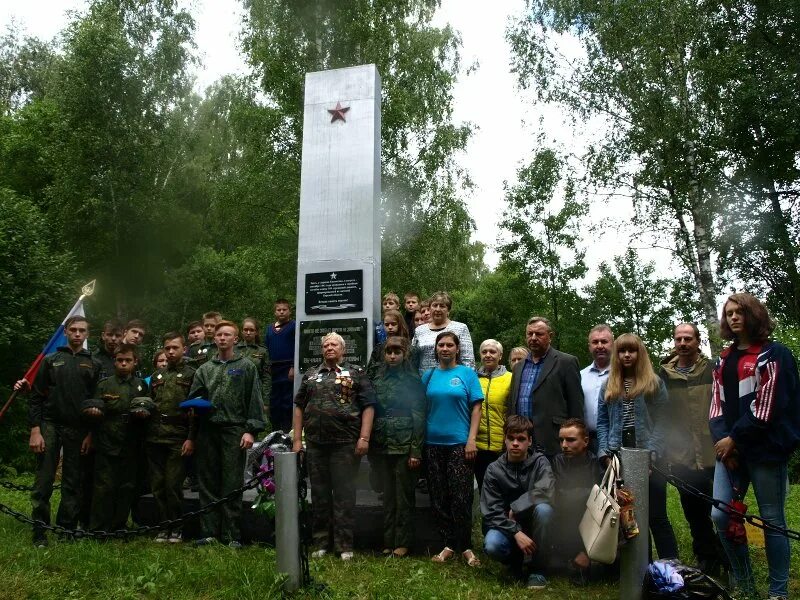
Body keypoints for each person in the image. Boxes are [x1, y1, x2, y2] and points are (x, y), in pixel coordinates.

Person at [709, 293, 800, 600]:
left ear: (754, 314)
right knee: (721, 514)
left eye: (740, 312)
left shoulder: (775, 355)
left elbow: (767, 407)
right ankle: (745, 585)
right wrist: (725, 446)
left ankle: (778, 593)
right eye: (729, 313)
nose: (733, 317)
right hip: (731, 452)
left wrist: (734, 439)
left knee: (772, 519)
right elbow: (716, 406)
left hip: (765, 450)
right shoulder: (723, 359)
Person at [292, 332, 375, 560]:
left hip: (345, 444)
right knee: (319, 495)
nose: (329, 348)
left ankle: (344, 545)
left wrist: (364, 438)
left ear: (343, 349)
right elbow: (299, 406)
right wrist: (298, 440)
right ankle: (320, 542)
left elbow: (369, 406)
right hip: (317, 445)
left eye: (334, 344)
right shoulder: (311, 374)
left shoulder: (356, 373)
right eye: (326, 345)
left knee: (344, 495)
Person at [597, 333, 678, 560]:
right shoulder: (609, 384)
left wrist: (651, 452)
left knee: (657, 516)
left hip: (650, 456)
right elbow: (602, 421)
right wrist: (604, 453)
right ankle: (641, 569)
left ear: (639, 353)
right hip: (618, 457)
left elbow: (664, 419)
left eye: (631, 350)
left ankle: (670, 567)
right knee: (628, 516)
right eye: (622, 351)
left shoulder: (653, 383)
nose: (626, 355)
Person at [189, 320, 266, 547]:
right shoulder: (205, 369)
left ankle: (231, 535)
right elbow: (195, 396)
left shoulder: (246, 366)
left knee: (231, 482)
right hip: (208, 429)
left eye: (227, 335)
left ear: (236, 339)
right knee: (208, 482)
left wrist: (250, 430)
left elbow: (254, 399)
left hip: (234, 429)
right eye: (219, 335)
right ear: (214, 339)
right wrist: (195, 406)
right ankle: (209, 532)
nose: (222, 338)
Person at [659, 323, 726, 575]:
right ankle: (707, 558)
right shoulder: (663, 375)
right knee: (694, 510)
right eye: (679, 339)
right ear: (674, 342)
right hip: (681, 455)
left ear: (698, 341)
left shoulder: (713, 370)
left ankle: (728, 554)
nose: (683, 343)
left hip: (714, 450)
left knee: (722, 508)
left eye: (688, 338)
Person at [28, 315, 99, 546]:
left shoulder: (93, 363)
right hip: (50, 424)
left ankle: (66, 528)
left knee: (73, 482)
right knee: (44, 480)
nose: (78, 334)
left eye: (82, 331)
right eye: (74, 330)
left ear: (87, 334)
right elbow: (36, 397)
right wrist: (35, 430)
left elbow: (95, 403)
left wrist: (90, 434)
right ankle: (40, 530)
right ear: (66, 332)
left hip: (78, 429)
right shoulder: (51, 360)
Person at [423, 331, 483, 567]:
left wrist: (471, 440)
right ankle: (447, 544)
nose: (445, 348)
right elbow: (421, 409)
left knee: (461, 496)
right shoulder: (428, 376)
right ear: (436, 349)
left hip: (460, 444)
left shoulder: (467, 374)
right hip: (432, 444)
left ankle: (465, 546)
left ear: (457, 349)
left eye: (450, 345)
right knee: (439, 497)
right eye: (441, 345)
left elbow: (476, 409)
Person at [481, 415, 555, 590]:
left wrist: (517, 506)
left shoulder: (540, 462)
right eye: (511, 438)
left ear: (529, 441)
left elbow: (547, 489)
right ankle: (514, 561)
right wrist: (516, 532)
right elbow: (491, 511)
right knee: (492, 545)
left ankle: (538, 569)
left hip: (534, 523)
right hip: (506, 526)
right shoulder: (493, 470)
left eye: (521, 439)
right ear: (505, 440)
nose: (515, 443)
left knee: (545, 510)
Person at [370, 337, 425, 557]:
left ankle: (403, 543)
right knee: (387, 495)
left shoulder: (412, 380)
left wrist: (415, 449)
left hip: (404, 443)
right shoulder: (376, 378)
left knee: (404, 496)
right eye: (389, 352)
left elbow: (419, 415)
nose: (392, 356)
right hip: (382, 442)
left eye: (397, 352)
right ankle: (388, 540)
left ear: (405, 354)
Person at [87, 343, 147, 532]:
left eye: (127, 360)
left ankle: (118, 525)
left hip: (131, 442)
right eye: (120, 360)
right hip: (107, 440)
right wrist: (91, 435)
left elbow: (149, 407)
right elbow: (93, 410)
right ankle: (98, 527)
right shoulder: (104, 384)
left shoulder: (140, 385)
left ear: (135, 362)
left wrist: (144, 413)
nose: (123, 364)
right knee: (103, 487)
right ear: (114, 362)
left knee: (126, 486)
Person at [509, 316, 584, 459]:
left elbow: (576, 405)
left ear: (550, 336)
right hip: (521, 440)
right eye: (529, 334)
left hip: (554, 440)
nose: (533, 338)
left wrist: (575, 439)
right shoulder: (518, 367)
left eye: (539, 334)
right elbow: (512, 404)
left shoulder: (566, 362)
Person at [146, 332, 196, 543]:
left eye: (175, 348)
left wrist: (191, 438)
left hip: (178, 437)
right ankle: (163, 526)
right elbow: (148, 404)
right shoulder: (157, 377)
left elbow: (196, 410)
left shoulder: (192, 374)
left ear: (184, 349)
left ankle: (177, 526)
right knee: (157, 485)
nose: (171, 352)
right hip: (155, 437)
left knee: (172, 484)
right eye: (167, 348)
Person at [551, 418, 602, 585]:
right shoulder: (557, 461)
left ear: (585, 441)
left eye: (570, 440)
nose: (564, 445)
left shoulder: (595, 462)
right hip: (564, 518)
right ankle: (569, 556)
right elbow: (557, 494)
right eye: (561, 440)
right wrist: (586, 493)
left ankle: (585, 557)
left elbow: (600, 497)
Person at [475, 339, 513, 492]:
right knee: (483, 488)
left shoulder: (511, 378)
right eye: (484, 352)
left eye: (492, 352)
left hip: (502, 446)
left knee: (502, 490)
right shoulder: (473, 379)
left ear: (500, 355)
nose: (488, 355)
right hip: (478, 446)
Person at [411, 291, 475, 373]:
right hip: (424, 380)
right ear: (430, 308)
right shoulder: (419, 330)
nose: (438, 309)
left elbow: (468, 360)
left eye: (442, 306)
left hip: (452, 380)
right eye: (434, 305)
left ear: (448, 310)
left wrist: (467, 380)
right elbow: (413, 359)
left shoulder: (461, 328)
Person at [580, 325, 613, 453]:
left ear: (613, 345)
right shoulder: (580, 376)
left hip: (614, 440)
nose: (599, 346)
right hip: (586, 442)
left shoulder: (622, 375)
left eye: (604, 341)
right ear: (589, 346)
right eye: (595, 342)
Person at [265, 299, 296, 433]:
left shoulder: (294, 326)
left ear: (289, 311)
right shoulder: (269, 329)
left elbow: (297, 346)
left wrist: (293, 366)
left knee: (287, 401)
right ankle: (275, 431)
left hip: (287, 367)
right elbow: (266, 348)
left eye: (284, 309)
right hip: (273, 368)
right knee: (275, 402)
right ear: (275, 312)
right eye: (279, 309)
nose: (282, 312)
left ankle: (287, 431)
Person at [237, 317, 272, 419]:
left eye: (251, 330)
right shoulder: (234, 349)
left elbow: (267, 377)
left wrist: (265, 401)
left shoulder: (262, 351)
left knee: (253, 424)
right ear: (241, 331)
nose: (248, 332)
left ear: (256, 332)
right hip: (236, 392)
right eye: (245, 330)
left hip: (255, 394)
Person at [367, 308, 410, 378]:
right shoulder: (378, 349)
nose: (390, 327)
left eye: (393, 324)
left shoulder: (410, 348)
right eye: (387, 325)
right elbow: (370, 373)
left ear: (400, 324)